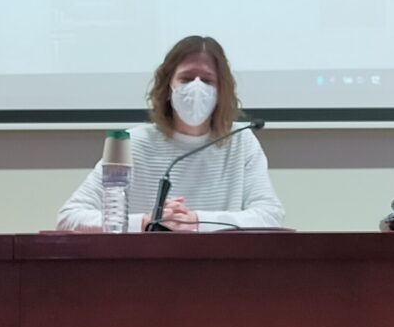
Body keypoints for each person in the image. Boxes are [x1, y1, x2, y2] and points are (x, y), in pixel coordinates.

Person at [57, 35, 284, 232]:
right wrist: (143, 222)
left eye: (207, 80)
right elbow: (69, 217)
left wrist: (197, 221)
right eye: (186, 79)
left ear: (220, 91)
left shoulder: (240, 140)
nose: (196, 88)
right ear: (168, 88)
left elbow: (271, 216)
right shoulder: (133, 143)